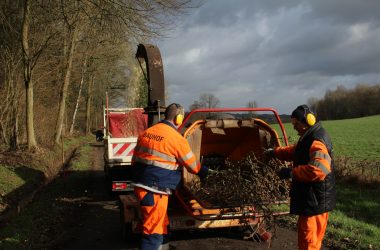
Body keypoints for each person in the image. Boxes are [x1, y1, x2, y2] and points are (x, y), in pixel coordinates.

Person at [132, 103, 209, 250]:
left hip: (141, 185)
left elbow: (134, 161)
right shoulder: (176, 138)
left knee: (162, 224)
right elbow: (192, 166)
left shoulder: (147, 132)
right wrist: (204, 172)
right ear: (179, 119)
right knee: (153, 231)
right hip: (155, 190)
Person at [265, 104, 336, 250]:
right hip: (314, 200)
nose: (294, 127)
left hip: (314, 202)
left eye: (296, 123)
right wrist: (275, 152)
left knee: (308, 243)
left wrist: (291, 173)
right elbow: (295, 151)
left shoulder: (317, 140)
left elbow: (319, 169)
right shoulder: (308, 137)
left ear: (308, 121)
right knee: (312, 243)